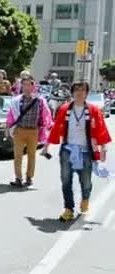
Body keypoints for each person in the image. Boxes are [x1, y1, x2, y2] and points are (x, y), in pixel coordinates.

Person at [42, 81, 111, 221]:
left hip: (86, 152)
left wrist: (103, 147)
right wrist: (46, 145)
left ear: (86, 93)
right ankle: (68, 209)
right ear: (72, 93)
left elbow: (101, 129)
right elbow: (55, 129)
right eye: (77, 90)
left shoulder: (94, 110)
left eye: (83, 90)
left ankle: (85, 199)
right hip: (67, 150)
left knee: (85, 182)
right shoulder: (64, 109)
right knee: (66, 181)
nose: (80, 93)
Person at [6, 77, 52, 187]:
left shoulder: (40, 101)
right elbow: (11, 116)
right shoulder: (16, 101)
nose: (26, 87)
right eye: (24, 85)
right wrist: (8, 128)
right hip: (19, 130)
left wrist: (47, 127)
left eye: (28, 85)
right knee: (18, 156)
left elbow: (46, 115)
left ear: (33, 86)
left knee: (32, 155)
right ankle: (18, 178)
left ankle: (29, 177)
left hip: (33, 131)